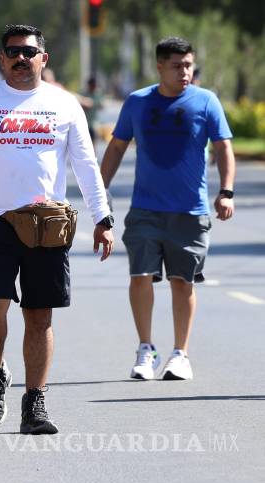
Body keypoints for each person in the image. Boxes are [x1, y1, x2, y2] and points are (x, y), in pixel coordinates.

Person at [0, 24, 114, 435]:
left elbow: (86, 165)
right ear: (2, 59)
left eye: (29, 51)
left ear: (43, 58)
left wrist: (102, 218)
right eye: (13, 51)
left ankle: (34, 401)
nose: (21, 57)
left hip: (47, 224)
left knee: (39, 316)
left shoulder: (64, 104)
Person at [99, 37, 235, 382]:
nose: (185, 72)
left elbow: (223, 148)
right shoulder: (138, 102)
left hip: (190, 211)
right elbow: (116, 147)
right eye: (177, 66)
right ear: (160, 66)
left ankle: (180, 354)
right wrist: (98, 192)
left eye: (189, 65)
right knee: (140, 276)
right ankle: (145, 348)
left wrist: (226, 192)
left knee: (182, 281)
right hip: (145, 208)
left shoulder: (206, 102)